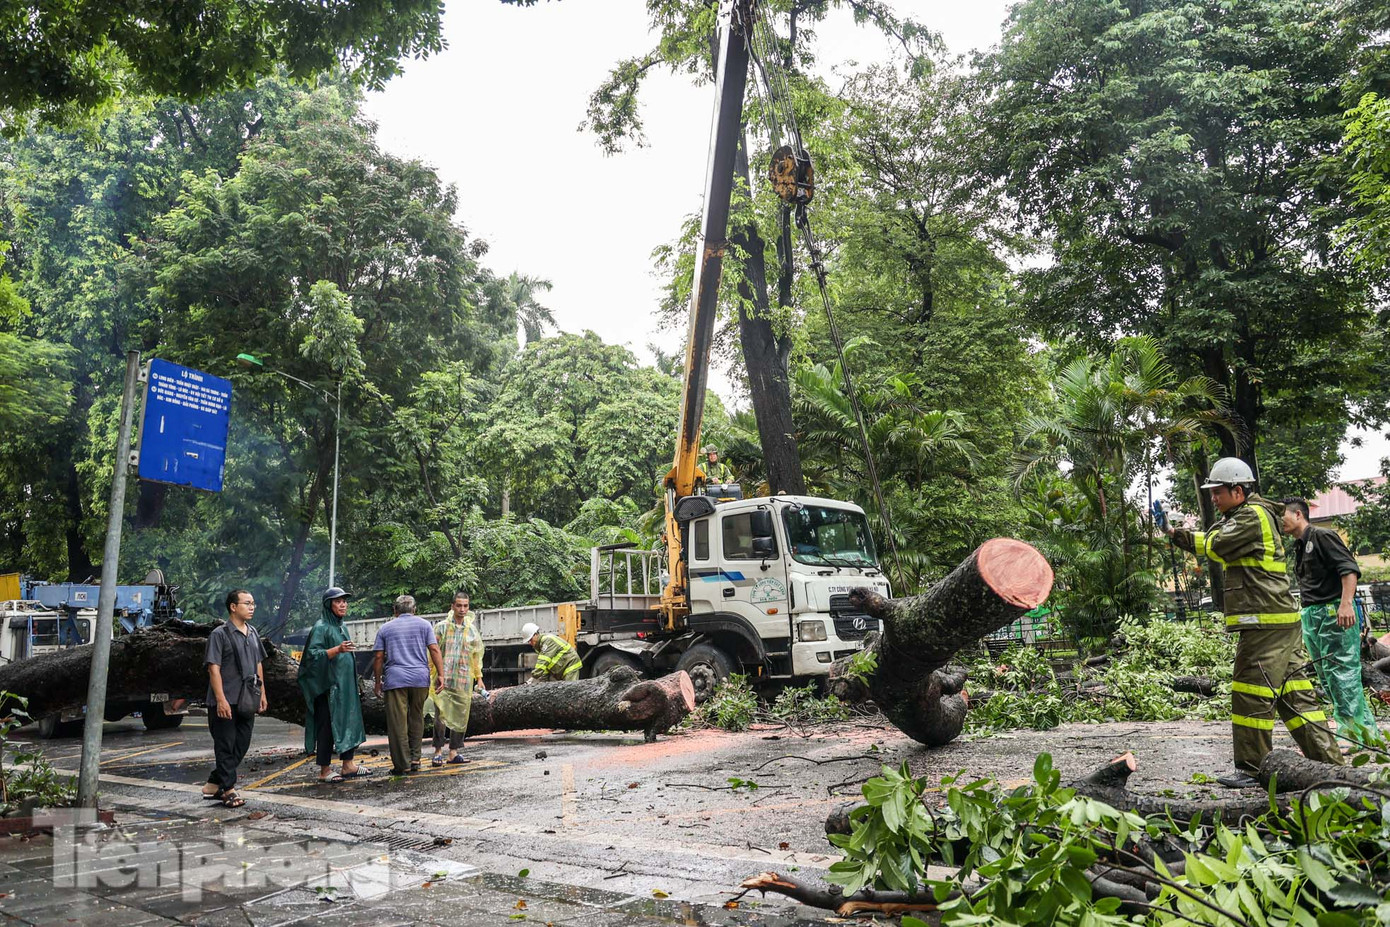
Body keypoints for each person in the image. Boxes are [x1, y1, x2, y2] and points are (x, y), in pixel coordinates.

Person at [1166, 457, 1344, 787]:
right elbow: (1218, 545)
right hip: (1279, 619)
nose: (1213, 498)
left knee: (1249, 692)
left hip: (1265, 622)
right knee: (1297, 695)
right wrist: (1190, 535)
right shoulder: (1250, 514)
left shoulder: (1250, 516)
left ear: (1238, 490)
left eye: (1218, 492)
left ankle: (1250, 767)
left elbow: (1217, 544)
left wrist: (1185, 537)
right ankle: (1332, 767)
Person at [1282, 497, 1377, 746]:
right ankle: (1364, 733)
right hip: (1312, 615)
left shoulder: (1322, 536)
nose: (1280, 521)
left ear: (1298, 515)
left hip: (1333, 611)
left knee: (1342, 674)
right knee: (1328, 676)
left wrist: (1346, 604)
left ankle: (1353, 736)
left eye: (1283, 515)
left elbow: (1348, 569)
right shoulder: (1299, 546)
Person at [201, 589, 266, 808]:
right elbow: (213, 668)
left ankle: (213, 781)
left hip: (247, 699)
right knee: (225, 745)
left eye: (253, 603)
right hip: (225, 699)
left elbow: (258, 664)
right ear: (233, 607)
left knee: (241, 745)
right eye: (247, 603)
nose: (252, 607)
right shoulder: (219, 634)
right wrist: (220, 699)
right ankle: (228, 790)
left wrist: (263, 694)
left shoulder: (253, 632)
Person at [298, 587, 370, 783]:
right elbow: (312, 658)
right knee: (326, 727)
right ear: (328, 604)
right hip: (328, 688)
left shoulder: (342, 627)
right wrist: (337, 649)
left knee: (348, 722)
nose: (343, 604)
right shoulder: (321, 627)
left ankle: (348, 765)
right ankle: (324, 769)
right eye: (338, 601)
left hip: (345, 687)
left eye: (344, 601)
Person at [373, 594, 444, 776]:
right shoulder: (425, 625)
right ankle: (415, 759)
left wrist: (377, 682)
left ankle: (402, 764)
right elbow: (434, 649)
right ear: (414, 610)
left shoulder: (385, 628)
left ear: (394, 611)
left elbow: (379, 657)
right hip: (420, 679)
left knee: (398, 723)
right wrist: (441, 675)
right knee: (416, 718)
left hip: (396, 679)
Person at [431, 591, 486, 766]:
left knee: (461, 716)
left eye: (466, 606)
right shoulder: (441, 627)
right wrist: (431, 673)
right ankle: (438, 751)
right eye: (459, 605)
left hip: (463, 679)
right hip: (443, 678)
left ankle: (453, 752)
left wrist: (479, 678)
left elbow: (476, 656)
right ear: (452, 606)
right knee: (440, 716)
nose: (462, 609)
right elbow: (432, 652)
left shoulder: (471, 631)